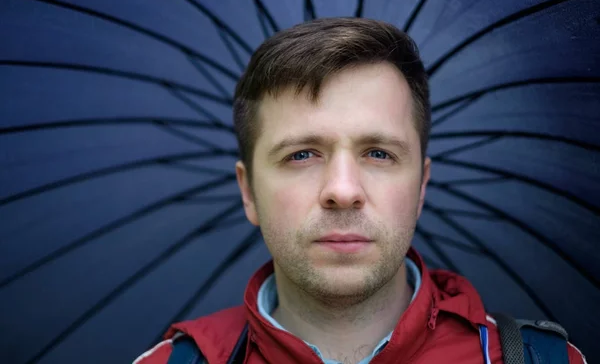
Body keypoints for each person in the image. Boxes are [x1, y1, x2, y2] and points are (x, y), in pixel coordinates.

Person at [134, 18, 586, 364]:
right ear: (248, 191)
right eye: (302, 154)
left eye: (378, 153)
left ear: (421, 186)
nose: (343, 190)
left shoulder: (540, 359)